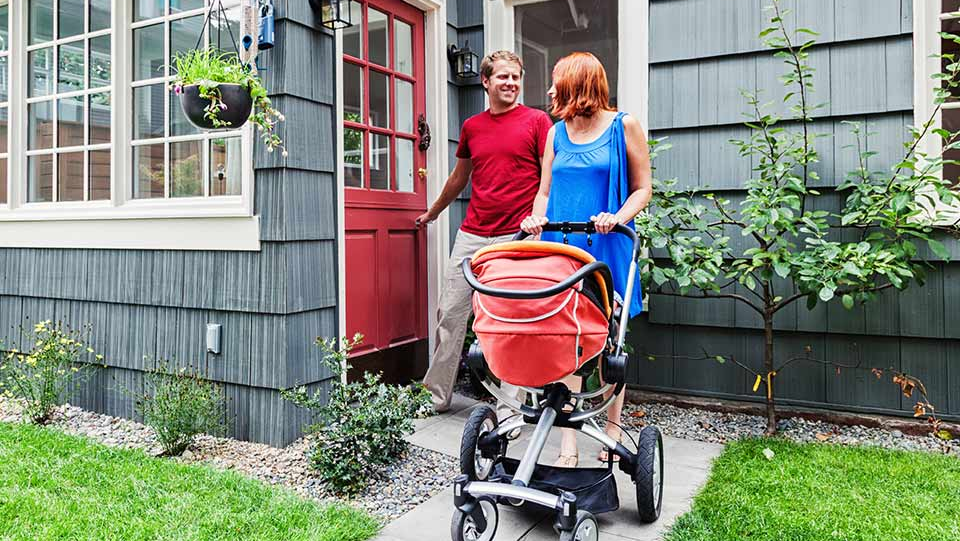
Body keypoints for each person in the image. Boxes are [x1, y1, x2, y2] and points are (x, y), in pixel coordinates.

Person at [520, 52, 652, 467]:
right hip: (563, 246)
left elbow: (643, 189)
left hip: (607, 245)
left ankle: (611, 433)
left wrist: (618, 217)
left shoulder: (623, 126)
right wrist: (537, 216)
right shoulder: (555, 134)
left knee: (612, 343)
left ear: (577, 85)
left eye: (556, 81)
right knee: (566, 340)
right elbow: (544, 189)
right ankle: (568, 443)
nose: (549, 90)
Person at [417, 50, 554, 418]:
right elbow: (458, 178)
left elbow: (549, 179)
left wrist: (539, 221)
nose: (510, 83)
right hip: (473, 233)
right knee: (450, 312)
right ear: (486, 82)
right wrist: (433, 213)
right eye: (503, 77)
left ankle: (510, 405)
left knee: (512, 318)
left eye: (515, 77)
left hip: (517, 235)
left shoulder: (538, 121)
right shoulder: (472, 127)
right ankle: (436, 396)